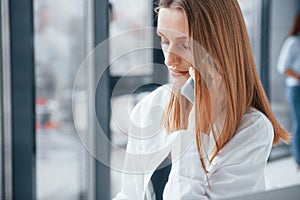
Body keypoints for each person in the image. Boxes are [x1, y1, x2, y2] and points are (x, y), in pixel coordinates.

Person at [113, 0, 290, 199]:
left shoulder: (252, 130)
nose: (169, 60)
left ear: (219, 50)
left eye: (185, 45)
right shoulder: (148, 107)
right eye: (164, 40)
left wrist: (192, 131)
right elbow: (130, 194)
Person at [277, 12, 300, 170]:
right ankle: (298, 161)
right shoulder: (292, 42)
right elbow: (283, 67)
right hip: (295, 89)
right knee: (298, 123)